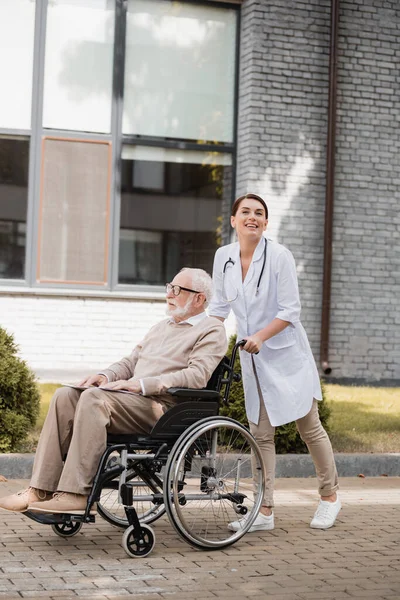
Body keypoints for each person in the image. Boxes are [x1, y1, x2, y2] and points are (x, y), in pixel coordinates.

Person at [0, 268, 227, 515]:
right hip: (133, 400)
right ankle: (40, 489)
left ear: (199, 299)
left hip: (166, 407)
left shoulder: (211, 330)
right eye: (169, 287)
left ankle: (77, 494)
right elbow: (130, 362)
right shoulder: (162, 326)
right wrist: (104, 375)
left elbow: (196, 376)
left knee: (94, 399)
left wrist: (141, 384)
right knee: (65, 395)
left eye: (178, 290)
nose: (169, 294)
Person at [208, 193, 340, 532]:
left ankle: (330, 497)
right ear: (234, 220)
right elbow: (220, 309)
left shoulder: (280, 256)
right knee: (260, 434)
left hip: (285, 354)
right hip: (254, 360)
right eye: (245, 212)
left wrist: (262, 337)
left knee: (308, 427)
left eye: (259, 213)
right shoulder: (223, 257)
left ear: (266, 222)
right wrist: (197, 337)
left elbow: (290, 311)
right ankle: (263, 511)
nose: (252, 217)